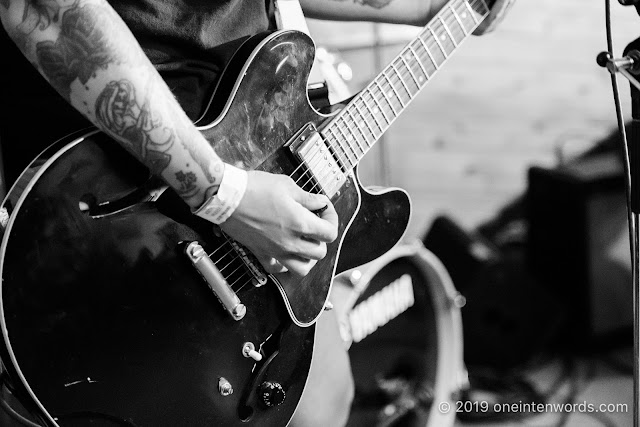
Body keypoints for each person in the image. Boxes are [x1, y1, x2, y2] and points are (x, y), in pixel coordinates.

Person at [0, 0, 513, 425]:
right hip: (122, 214)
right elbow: (40, 9)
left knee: (326, 401)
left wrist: (432, 6)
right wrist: (223, 195)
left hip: (256, 167)